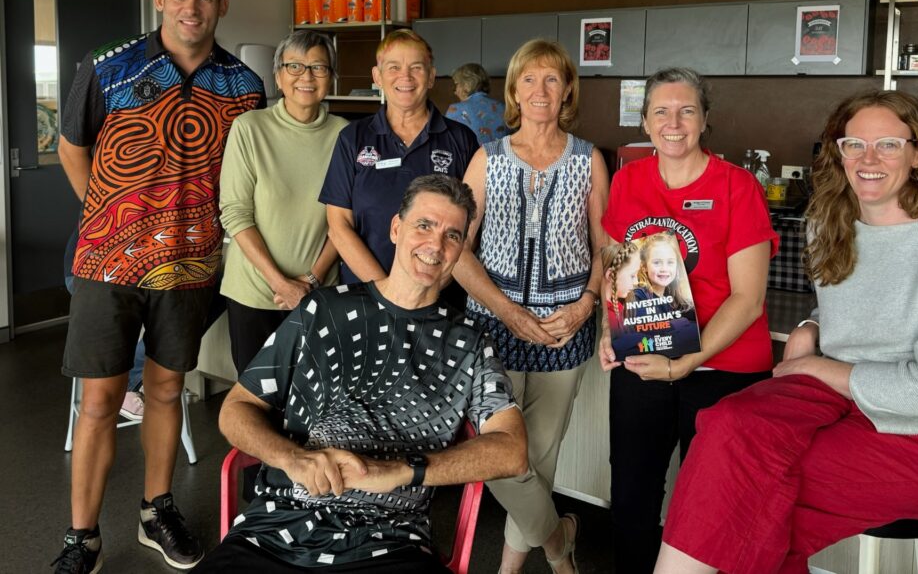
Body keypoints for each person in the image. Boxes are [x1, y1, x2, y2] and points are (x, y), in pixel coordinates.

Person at [654, 90, 918, 574]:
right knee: (724, 426)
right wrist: (811, 324)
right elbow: (863, 306)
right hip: (841, 399)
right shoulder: (831, 223)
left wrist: (816, 365)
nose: (868, 159)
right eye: (853, 145)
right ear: (838, 152)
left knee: (752, 488)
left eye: (887, 144)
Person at [197, 175, 528, 573]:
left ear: (461, 250)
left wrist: (402, 470)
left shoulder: (471, 343)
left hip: (390, 541)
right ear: (395, 228)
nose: (435, 245)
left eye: (453, 235)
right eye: (424, 225)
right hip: (276, 528)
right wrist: (293, 458)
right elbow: (237, 407)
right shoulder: (322, 310)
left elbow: (512, 449)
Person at [54, 0, 265, 573]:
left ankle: (156, 510)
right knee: (100, 400)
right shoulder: (108, 66)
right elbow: (72, 147)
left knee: (168, 390)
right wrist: (110, 219)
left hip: (193, 266)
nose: (191, 8)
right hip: (108, 264)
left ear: (221, 6)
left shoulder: (244, 88)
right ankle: (82, 537)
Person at [598, 67, 777, 574]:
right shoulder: (629, 179)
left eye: (686, 110)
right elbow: (615, 266)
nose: (673, 122)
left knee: (717, 510)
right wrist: (609, 334)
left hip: (724, 371)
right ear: (646, 121)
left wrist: (687, 363)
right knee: (631, 500)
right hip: (644, 364)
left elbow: (748, 299)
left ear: (705, 120)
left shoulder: (737, 187)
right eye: (661, 111)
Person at [453, 39, 610, 574]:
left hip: (566, 334)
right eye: (528, 79)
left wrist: (587, 304)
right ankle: (559, 544)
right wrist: (509, 312)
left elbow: (606, 247)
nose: (540, 90)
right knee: (501, 461)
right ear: (514, 90)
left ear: (567, 89)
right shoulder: (487, 158)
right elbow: (458, 252)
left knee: (538, 460)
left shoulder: (590, 160)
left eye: (551, 79)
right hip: (492, 332)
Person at [219, 31, 347, 373]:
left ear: (331, 77)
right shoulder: (249, 128)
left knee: (312, 404)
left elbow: (345, 221)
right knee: (256, 407)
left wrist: (312, 281)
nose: (306, 77)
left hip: (319, 294)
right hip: (254, 293)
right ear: (277, 76)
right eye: (295, 66)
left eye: (319, 68)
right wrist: (280, 283)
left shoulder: (345, 136)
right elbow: (235, 213)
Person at [320, 29, 477, 287]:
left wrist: (429, 288)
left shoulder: (461, 140)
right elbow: (339, 226)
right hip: (366, 294)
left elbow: (469, 230)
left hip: (438, 294)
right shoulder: (352, 138)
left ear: (431, 77)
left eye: (416, 67)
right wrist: (386, 289)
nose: (405, 76)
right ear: (377, 77)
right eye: (393, 67)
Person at [445, 61, 510, 145]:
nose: (455, 91)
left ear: (466, 84)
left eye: (457, 84)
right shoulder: (504, 107)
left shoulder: (455, 109)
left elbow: (448, 145)